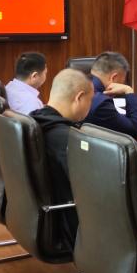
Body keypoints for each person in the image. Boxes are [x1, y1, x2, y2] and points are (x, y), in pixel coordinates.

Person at [29, 68, 94, 246]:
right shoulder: (66, 139)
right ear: (79, 97)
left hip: (36, 220)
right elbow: (91, 186)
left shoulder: (33, 122)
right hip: (70, 229)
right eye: (90, 100)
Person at [84, 51, 137, 138]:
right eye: (122, 82)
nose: (122, 85)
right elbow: (134, 130)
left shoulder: (81, 83)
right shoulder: (100, 103)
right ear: (113, 78)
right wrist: (129, 91)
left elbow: (105, 117)